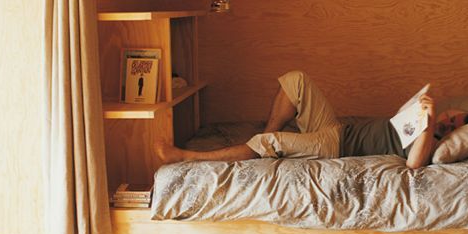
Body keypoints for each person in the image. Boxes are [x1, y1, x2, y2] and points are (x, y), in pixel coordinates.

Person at [155, 70, 438, 170]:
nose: (450, 118)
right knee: (296, 80)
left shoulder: (430, 140)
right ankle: (263, 146)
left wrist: (430, 123)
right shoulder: (428, 126)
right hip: (338, 130)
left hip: (336, 147)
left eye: (453, 121)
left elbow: (414, 164)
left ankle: (185, 157)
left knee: (267, 141)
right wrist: (415, 106)